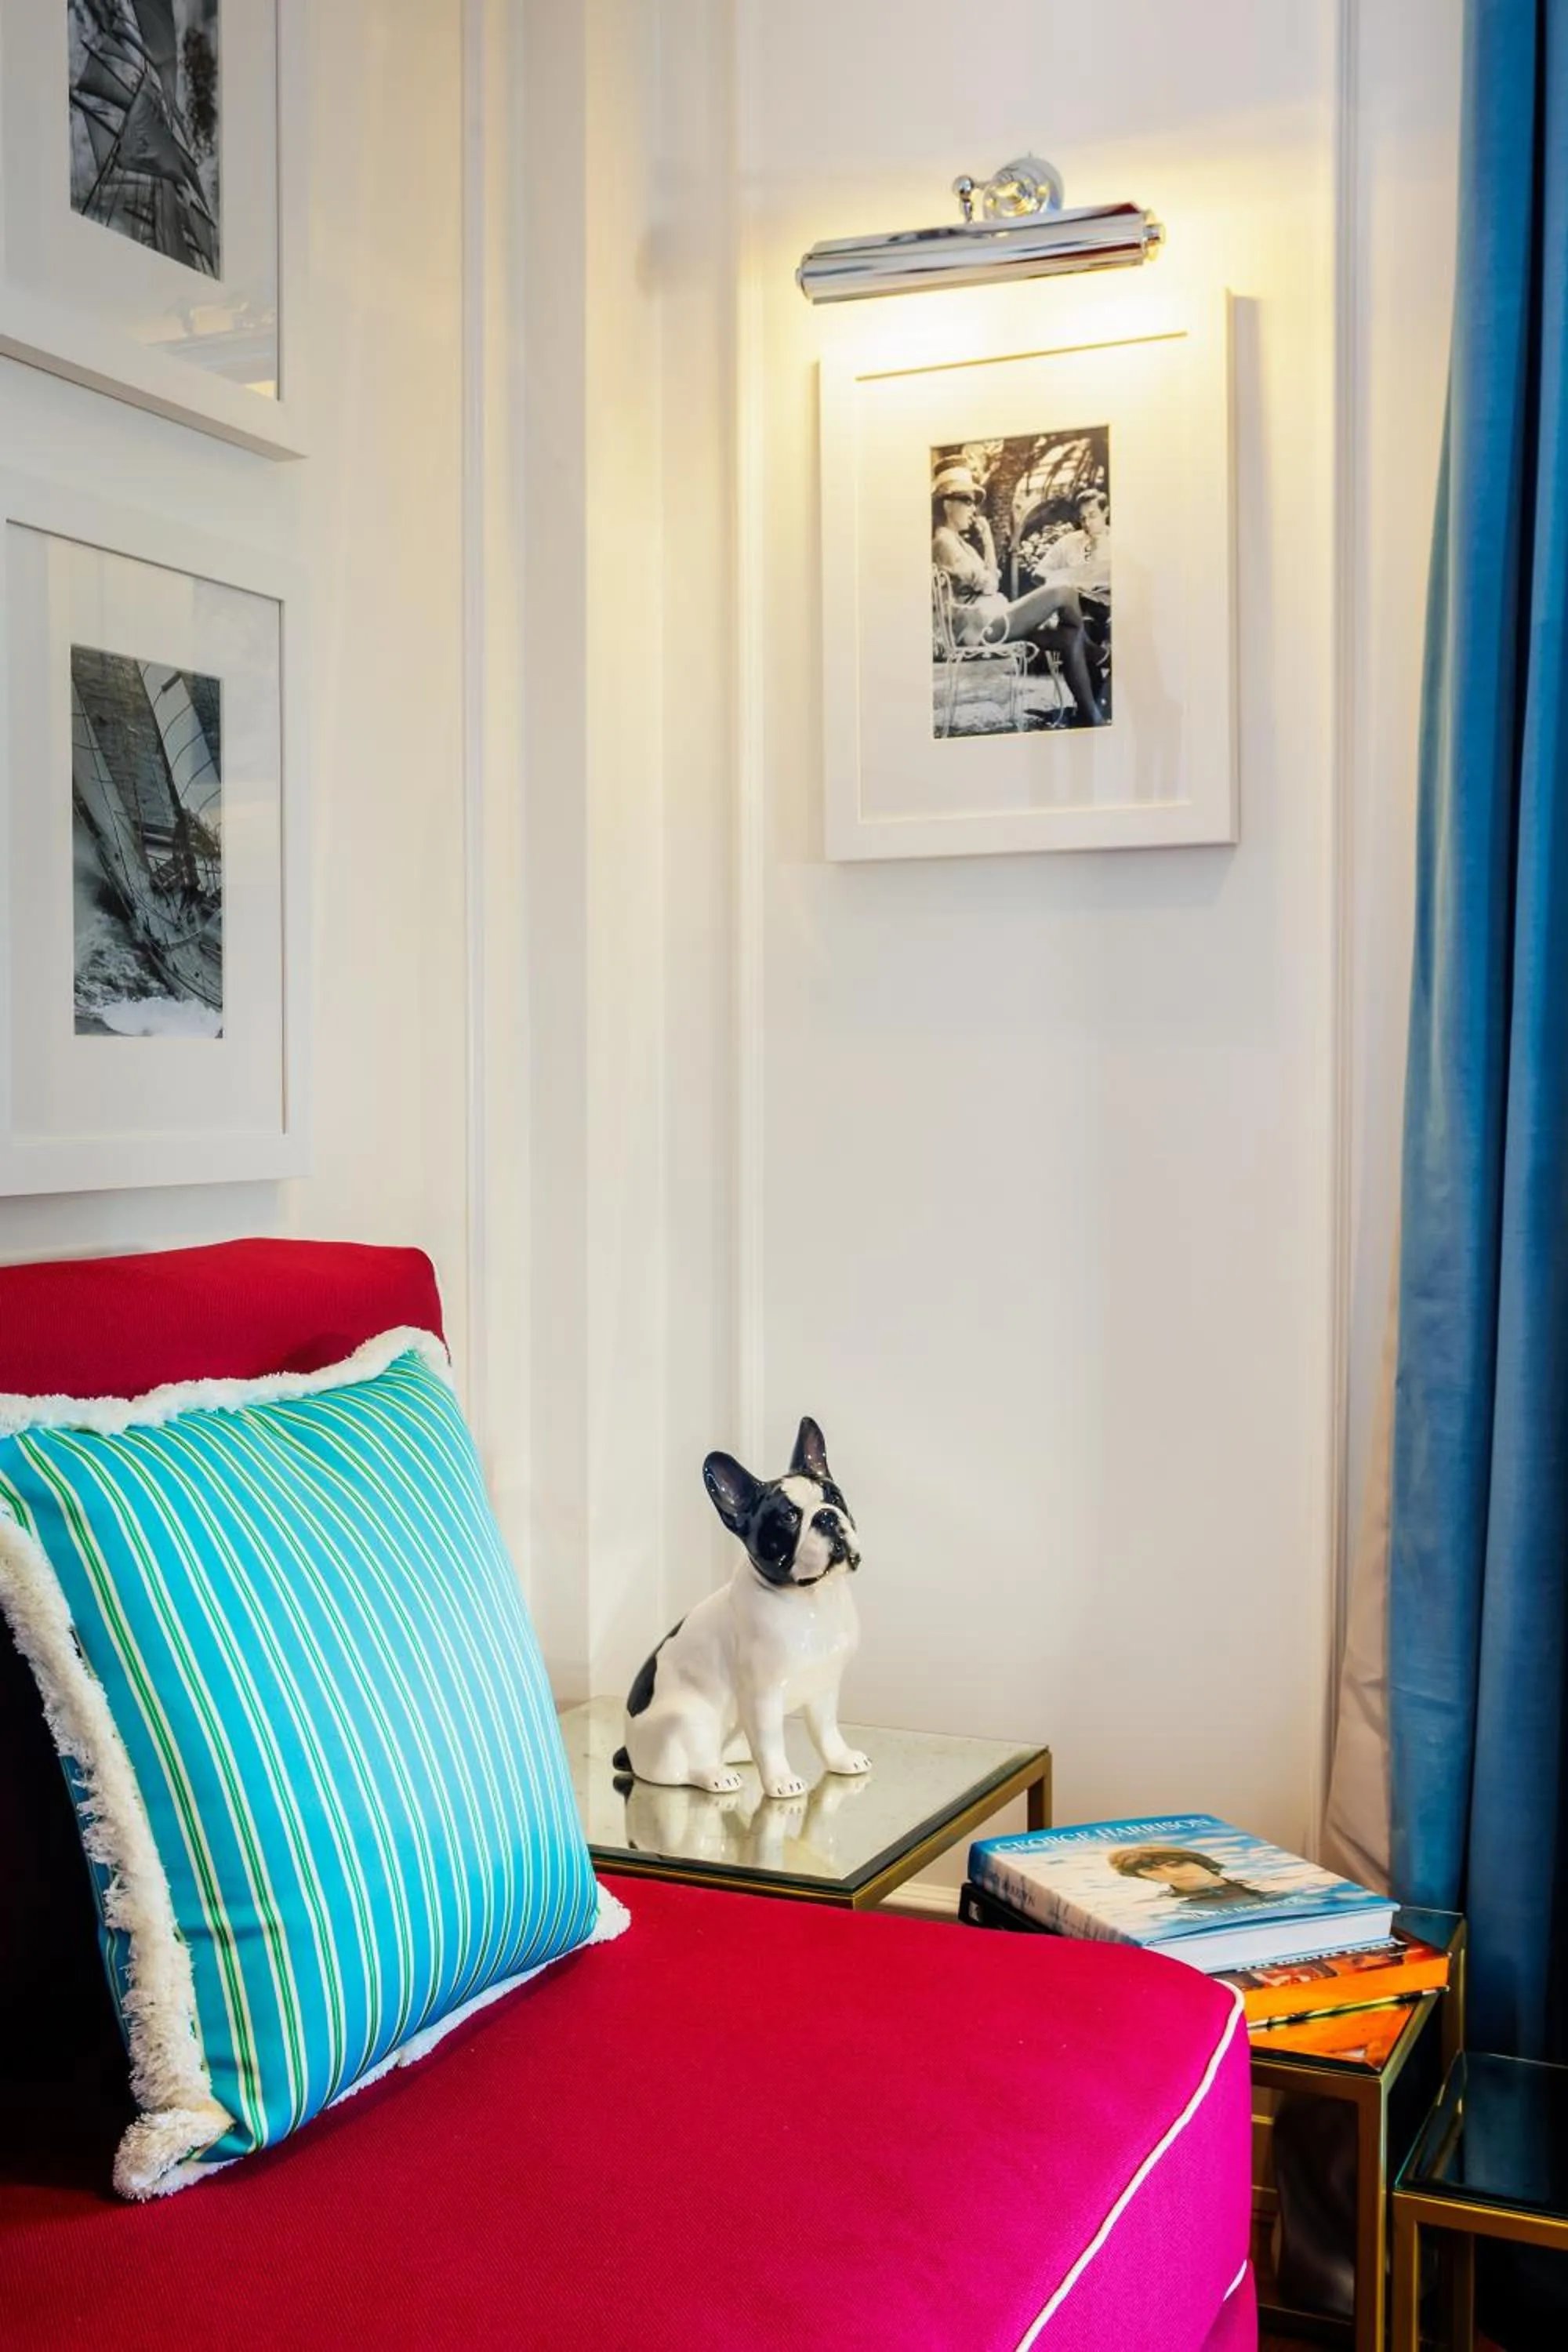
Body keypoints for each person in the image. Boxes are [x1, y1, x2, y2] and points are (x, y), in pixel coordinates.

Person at [930, 463, 1105, 726]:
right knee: (1063, 591)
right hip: (982, 627)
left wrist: (988, 540)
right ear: (946, 504)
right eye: (966, 500)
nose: (973, 508)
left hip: (993, 618)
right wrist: (988, 580)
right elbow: (988, 585)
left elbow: (991, 580)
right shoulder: (943, 541)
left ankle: (1092, 716)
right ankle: (1097, 654)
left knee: (1069, 638)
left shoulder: (960, 543)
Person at [1107, 1845, 1273, 1907]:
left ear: (1199, 1862)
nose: (1172, 1873)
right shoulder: (1172, 1907)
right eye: (1152, 1871)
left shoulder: (1267, 1885)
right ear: (1145, 1877)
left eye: (1176, 1864)